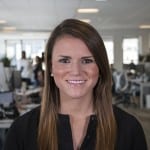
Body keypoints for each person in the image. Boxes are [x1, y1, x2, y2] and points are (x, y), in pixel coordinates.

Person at [4, 19, 147, 150]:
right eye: (65, 61)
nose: (76, 71)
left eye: (87, 61)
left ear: (100, 67)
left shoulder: (129, 129)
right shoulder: (21, 131)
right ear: (51, 67)